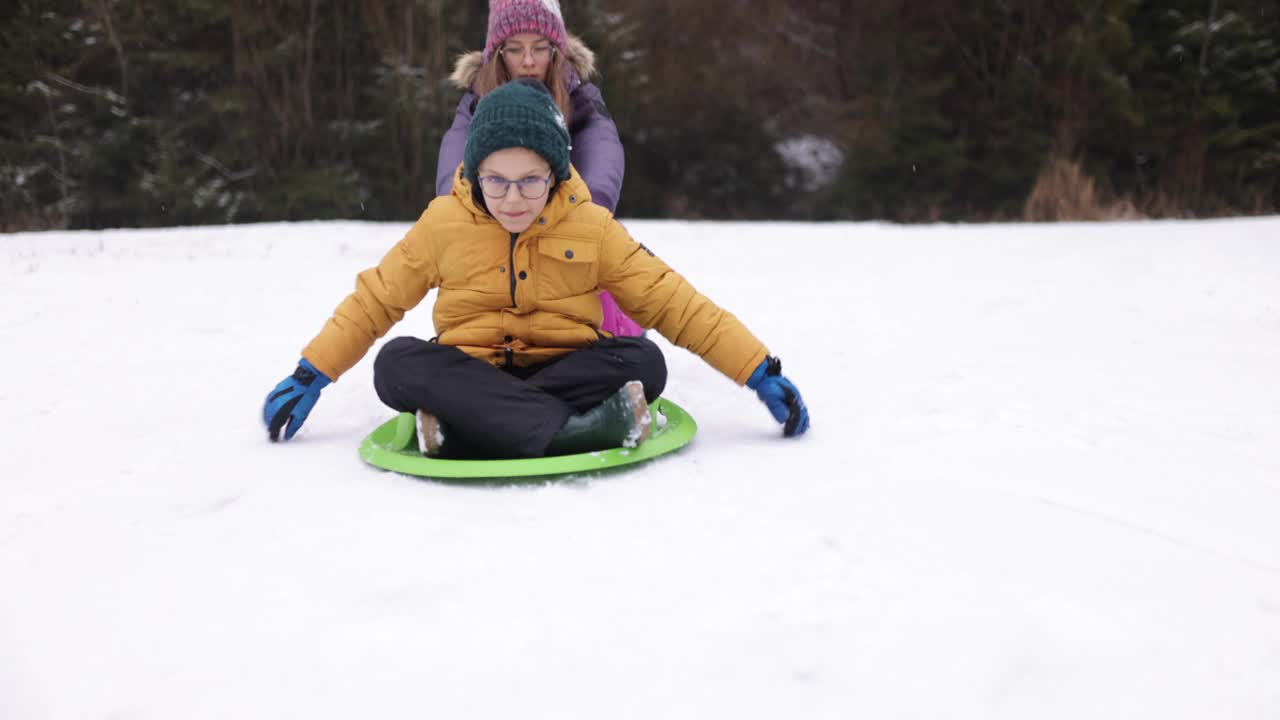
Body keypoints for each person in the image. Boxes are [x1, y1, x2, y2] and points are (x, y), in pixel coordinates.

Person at [263, 80, 809, 459]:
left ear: (555, 173)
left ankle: (473, 429)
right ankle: (574, 431)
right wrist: (311, 373)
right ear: (475, 173)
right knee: (397, 364)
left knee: (645, 359)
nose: (513, 197)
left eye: (531, 180)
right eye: (497, 180)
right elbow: (375, 300)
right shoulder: (443, 224)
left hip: (565, 368)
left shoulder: (589, 226)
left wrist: (759, 370)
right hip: (471, 371)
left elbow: (674, 303)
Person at [435, 0, 644, 338]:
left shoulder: (581, 99)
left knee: (613, 272)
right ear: (499, 53)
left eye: (540, 48)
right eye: (515, 49)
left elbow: (602, 149)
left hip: (566, 225)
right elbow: (454, 162)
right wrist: (468, 209)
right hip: (496, 226)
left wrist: (585, 211)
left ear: (556, 50)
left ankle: (613, 342)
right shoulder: (476, 102)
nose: (529, 61)